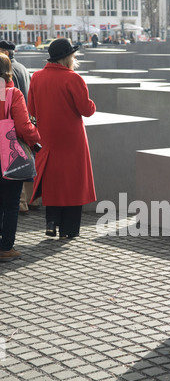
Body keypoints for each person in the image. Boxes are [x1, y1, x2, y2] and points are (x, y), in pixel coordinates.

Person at [28, 38, 96, 239]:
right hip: (72, 141)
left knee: (53, 182)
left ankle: (51, 222)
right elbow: (87, 109)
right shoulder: (73, 78)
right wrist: (92, 103)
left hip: (47, 138)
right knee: (73, 184)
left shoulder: (37, 77)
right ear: (67, 57)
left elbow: (31, 109)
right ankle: (69, 230)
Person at [0, 54, 41, 262]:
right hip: (9, 157)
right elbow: (25, 127)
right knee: (11, 204)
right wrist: (35, 138)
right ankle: (6, 247)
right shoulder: (12, 94)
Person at [0, 40, 39, 214]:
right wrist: (35, 137)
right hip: (18, 130)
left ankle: (24, 204)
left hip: (10, 133)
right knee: (12, 199)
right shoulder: (23, 69)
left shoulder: (9, 87)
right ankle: (31, 202)